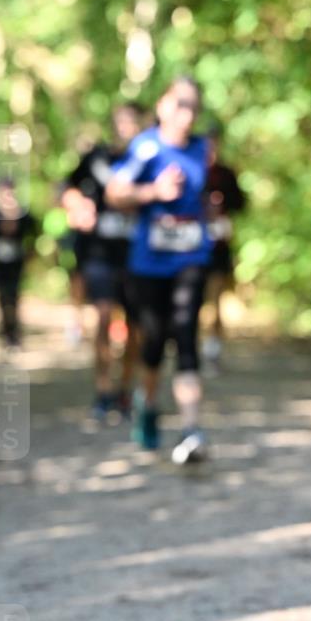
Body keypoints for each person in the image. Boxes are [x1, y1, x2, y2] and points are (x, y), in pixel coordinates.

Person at [105, 76, 212, 464]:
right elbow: (114, 193)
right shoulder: (146, 146)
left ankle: (190, 429)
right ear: (163, 105)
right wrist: (153, 192)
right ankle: (147, 404)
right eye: (181, 104)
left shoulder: (202, 148)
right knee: (153, 340)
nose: (187, 114)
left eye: (194, 107)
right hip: (149, 263)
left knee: (185, 334)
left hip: (191, 257)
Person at [60, 104, 143, 420]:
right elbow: (65, 187)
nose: (125, 127)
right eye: (120, 121)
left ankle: (125, 391)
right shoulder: (96, 157)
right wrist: (77, 205)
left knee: (136, 327)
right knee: (104, 316)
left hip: (137, 255)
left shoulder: (148, 159)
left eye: (132, 121)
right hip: (98, 253)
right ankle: (103, 391)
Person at [202, 123, 246, 373]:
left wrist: (222, 204)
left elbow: (241, 204)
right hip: (192, 247)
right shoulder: (191, 171)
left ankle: (213, 349)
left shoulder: (226, 174)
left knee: (216, 298)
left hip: (218, 246)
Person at [0, 178, 35, 350]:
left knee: (14, 298)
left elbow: (32, 232)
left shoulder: (23, 213)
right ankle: (6, 334)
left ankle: (15, 334)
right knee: (3, 298)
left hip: (16, 263)